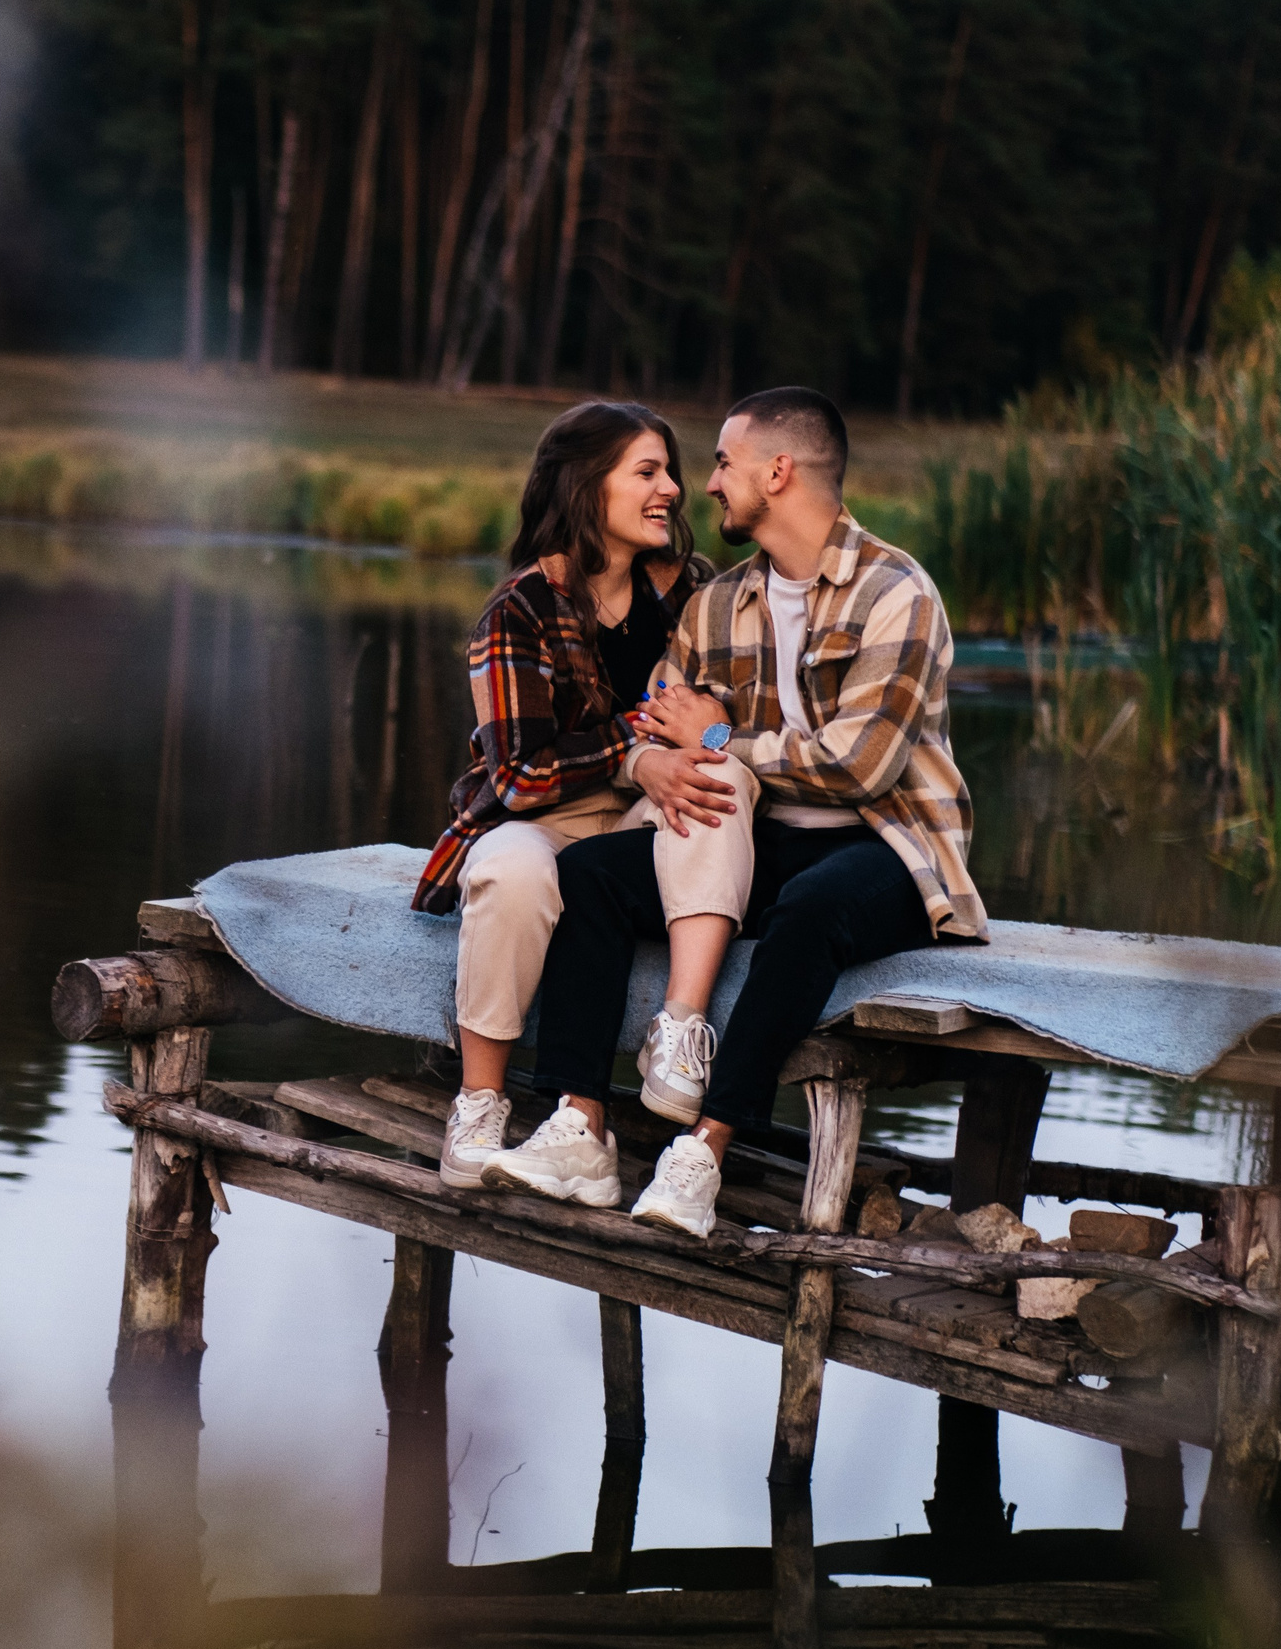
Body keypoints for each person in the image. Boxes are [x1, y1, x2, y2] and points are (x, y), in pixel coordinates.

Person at [502, 387, 986, 1232]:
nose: (708, 484)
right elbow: (662, 726)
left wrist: (721, 736)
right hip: (762, 839)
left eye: (724, 463)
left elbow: (859, 769)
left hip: (891, 849)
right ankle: (581, 1124)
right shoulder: (718, 602)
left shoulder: (896, 593)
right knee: (590, 874)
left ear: (779, 471)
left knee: (812, 907)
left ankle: (705, 1151)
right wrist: (675, 750)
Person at [410, 400, 756, 1203]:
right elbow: (519, 777)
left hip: (643, 820)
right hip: (540, 818)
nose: (673, 489)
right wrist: (639, 749)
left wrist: (705, 736)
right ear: (586, 485)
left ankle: (679, 1035)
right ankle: (480, 1105)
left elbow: (724, 721)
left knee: (726, 780)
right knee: (511, 874)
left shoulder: (693, 591)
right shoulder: (521, 609)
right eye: (648, 472)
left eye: (671, 472)